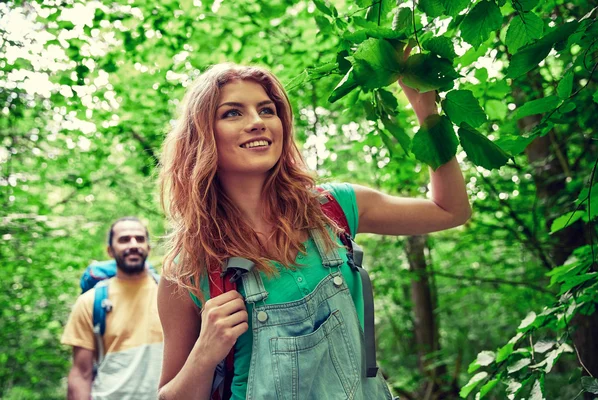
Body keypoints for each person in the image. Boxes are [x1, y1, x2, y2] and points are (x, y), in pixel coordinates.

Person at [157, 62, 471, 400]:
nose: (257, 122)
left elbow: (450, 210)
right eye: (232, 113)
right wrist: (204, 353)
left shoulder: (333, 209)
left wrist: (426, 108)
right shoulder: (188, 269)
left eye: (267, 110)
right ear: (202, 133)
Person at [61, 217, 164, 400]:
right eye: (124, 239)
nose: (133, 245)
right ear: (110, 250)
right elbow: (80, 374)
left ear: (148, 247)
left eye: (139, 239)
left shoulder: (170, 295)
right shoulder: (91, 302)